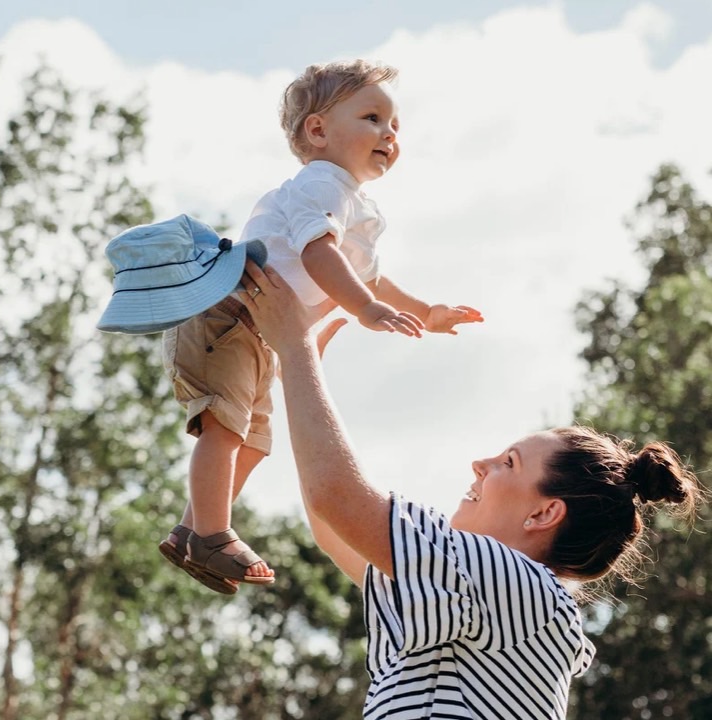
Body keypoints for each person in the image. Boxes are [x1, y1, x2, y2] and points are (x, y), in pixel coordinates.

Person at [237, 259, 706, 719]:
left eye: (508, 462)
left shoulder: (520, 584)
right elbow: (334, 525)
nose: (479, 465)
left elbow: (337, 499)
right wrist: (298, 372)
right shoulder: (492, 595)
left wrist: (295, 348)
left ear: (543, 514)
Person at [159, 59, 483, 593]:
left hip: (260, 332)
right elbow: (318, 255)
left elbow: (371, 278)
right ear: (318, 130)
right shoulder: (320, 185)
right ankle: (213, 533)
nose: (389, 134)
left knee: (255, 442)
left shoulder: (357, 205)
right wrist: (363, 309)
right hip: (227, 315)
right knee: (225, 427)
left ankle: (192, 530)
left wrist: (427, 312)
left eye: (395, 125)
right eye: (373, 118)